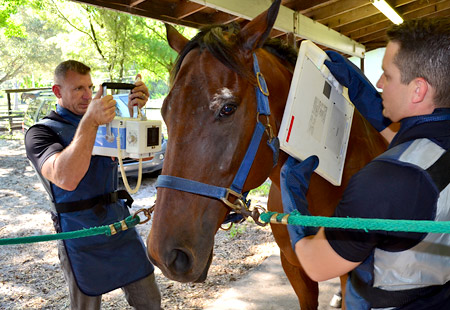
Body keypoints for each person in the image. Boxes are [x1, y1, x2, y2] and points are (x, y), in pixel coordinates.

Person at [280, 18, 450, 309]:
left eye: (387, 75)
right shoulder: (431, 147)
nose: (380, 84)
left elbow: (317, 265)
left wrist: (293, 203)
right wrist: (362, 94)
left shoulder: (383, 181)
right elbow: (419, 150)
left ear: (418, 90)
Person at [25, 60, 162, 310]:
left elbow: (145, 156)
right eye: (78, 88)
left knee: (150, 300)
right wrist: (89, 123)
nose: (87, 95)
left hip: (119, 225)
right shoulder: (41, 133)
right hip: (80, 234)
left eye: (89, 87)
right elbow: (66, 178)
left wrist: (135, 115)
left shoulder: (108, 121)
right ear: (57, 92)